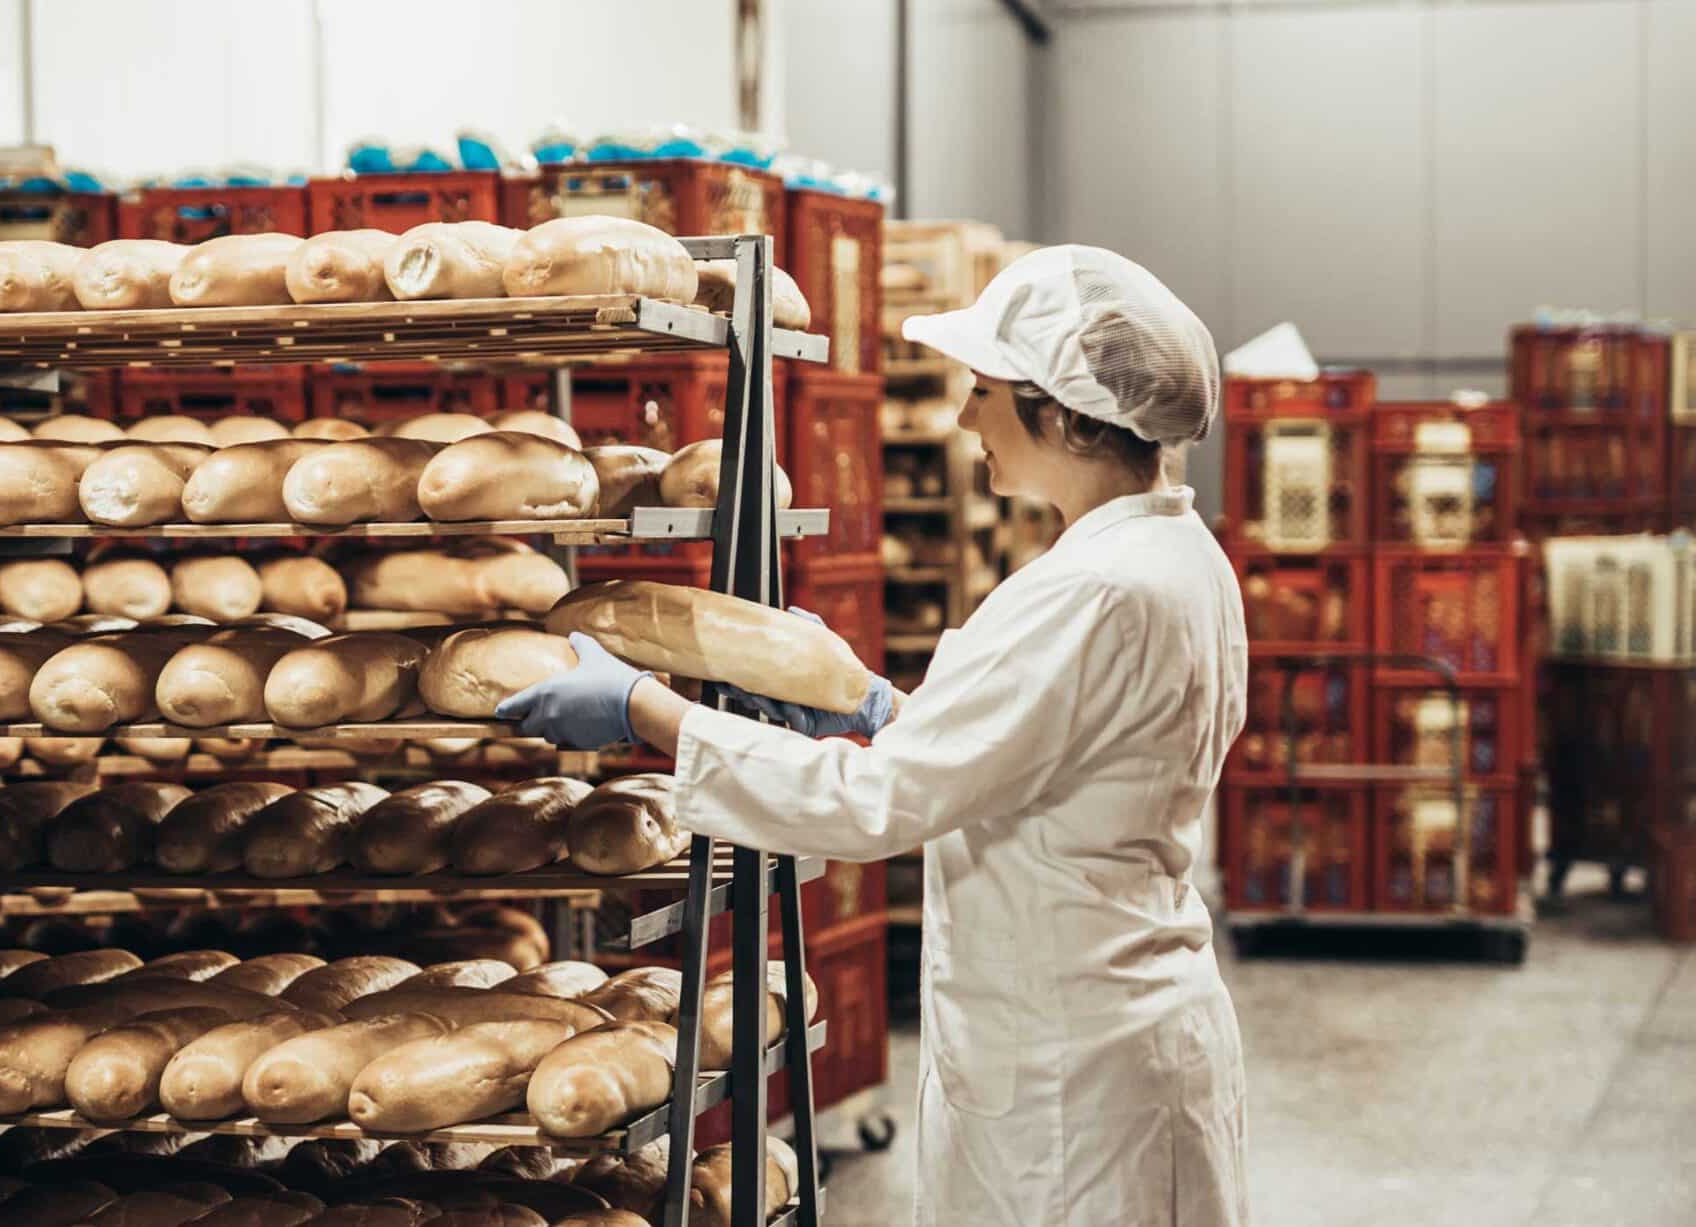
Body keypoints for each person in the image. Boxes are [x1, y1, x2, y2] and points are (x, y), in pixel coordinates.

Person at [497, 246, 1250, 1226]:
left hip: (1075, 1059)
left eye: (983, 392)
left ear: (1065, 416)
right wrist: (882, 709)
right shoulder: (1176, 555)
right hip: (1114, 1012)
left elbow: (873, 805)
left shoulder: (1092, 590)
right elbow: (1047, 751)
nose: (964, 419)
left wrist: (645, 708)